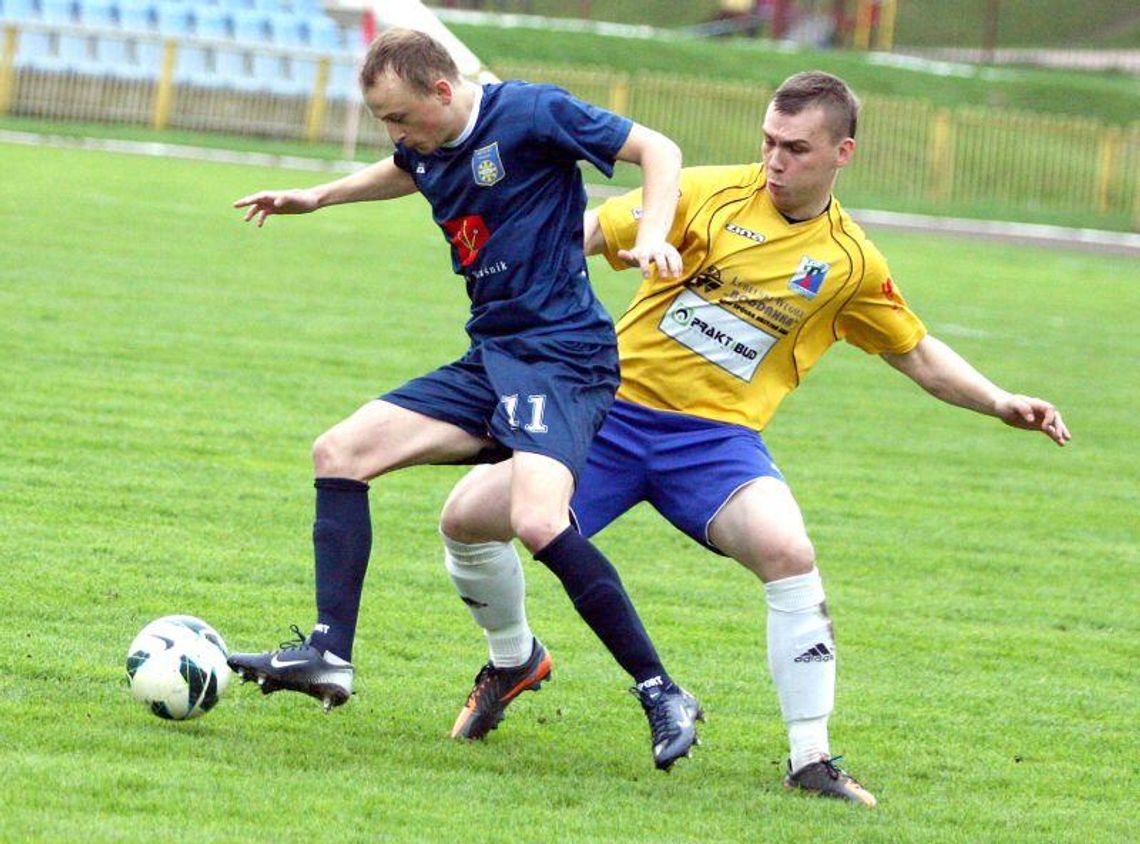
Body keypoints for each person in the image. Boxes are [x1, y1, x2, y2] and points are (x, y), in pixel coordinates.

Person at [438, 70, 1071, 805]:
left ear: (843, 153)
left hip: (714, 442)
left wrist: (1001, 401)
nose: (775, 160)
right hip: (606, 414)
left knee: (789, 551)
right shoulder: (702, 192)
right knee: (466, 517)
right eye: (769, 141)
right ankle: (514, 660)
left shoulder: (849, 263)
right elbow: (574, 236)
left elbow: (918, 353)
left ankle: (811, 758)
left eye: (796, 148)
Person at [225, 28, 706, 770]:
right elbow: (407, 166)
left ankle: (661, 689)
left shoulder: (533, 114)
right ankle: (328, 654)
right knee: (340, 452)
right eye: (386, 121)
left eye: (400, 117)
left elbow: (660, 149)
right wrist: (318, 196)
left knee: (537, 520)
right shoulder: (425, 139)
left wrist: (651, 229)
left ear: (442, 92)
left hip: (562, 357)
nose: (396, 135)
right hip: (493, 353)